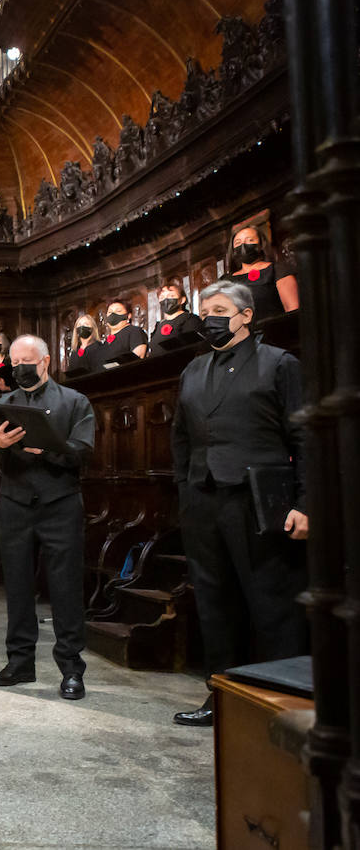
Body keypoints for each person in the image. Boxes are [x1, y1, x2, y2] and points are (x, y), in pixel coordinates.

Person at [170, 280, 308, 727]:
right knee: (215, 604)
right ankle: (222, 698)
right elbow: (180, 438)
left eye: (219, 308)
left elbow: (305, 439)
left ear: (246, 315)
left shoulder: (279, 364)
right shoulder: (193, 369)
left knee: (271, 606)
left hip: (259, 503)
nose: (208, 316)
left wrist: (307, 503)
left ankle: (276, 705)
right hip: (204, 500)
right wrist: (185, 490)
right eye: (204, 309)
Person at [0, 335, 96, 700]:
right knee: (16, 584)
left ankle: (71, 670)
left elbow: (83, 451)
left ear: (45, 361)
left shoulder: (75, 402)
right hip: (15, 502)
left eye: (27, 362)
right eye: (14, 364)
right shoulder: (3, 403)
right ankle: (19, 663)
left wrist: (48, 447)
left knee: (64, 587)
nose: (20, 369)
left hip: (59, 501)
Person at [226, 225, 298, 320]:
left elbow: (293, 309)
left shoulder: (277, 269)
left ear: (260, 244)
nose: (243, 245)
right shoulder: (225, 280)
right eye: (237, 242)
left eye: (250, 240)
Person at [149, 283, 203, 355]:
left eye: (171, 296)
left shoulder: (190, 319)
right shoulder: (158, 325)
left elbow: (195, 349)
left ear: (182, 300)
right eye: (162, 297)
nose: (166, 299)